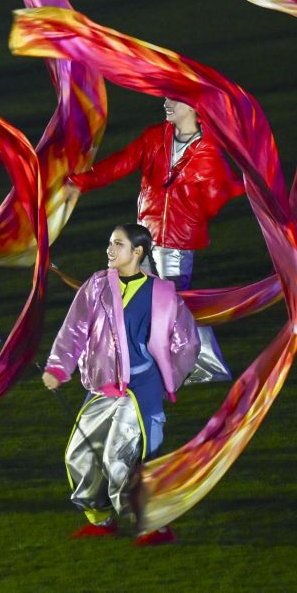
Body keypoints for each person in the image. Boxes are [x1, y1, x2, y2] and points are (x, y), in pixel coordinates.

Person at [42, 224, 200, 546]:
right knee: (78, 455)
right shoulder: (96, 285)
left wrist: (167, 379)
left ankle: (153, 526)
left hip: (139, 390)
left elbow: (187, 342)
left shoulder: (162, 294)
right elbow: (74, 329)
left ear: (137, 251)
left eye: (118, 244)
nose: (110, 250)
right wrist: (58, 367)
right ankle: (100, 520)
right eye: (110, 243)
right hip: (101, 387)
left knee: (119, 459)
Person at [68, 97, 242, 383]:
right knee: (144, 299)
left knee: (175, 303)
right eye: (166, 98)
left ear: (194, 108)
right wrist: (83, 182)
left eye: (175, 100)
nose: (166, 104)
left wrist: (194, 210)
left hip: (177, 239)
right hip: (145, 233)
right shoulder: (155, 137)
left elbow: (216, 198)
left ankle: (209, 367)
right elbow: (122, 162)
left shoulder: (208, 150)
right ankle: (147, 361)